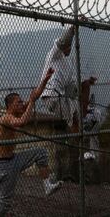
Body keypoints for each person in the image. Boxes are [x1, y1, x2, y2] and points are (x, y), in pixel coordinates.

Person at [0, 68, 62, 217]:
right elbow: (23, 121)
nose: (22, 104)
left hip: (13, 159)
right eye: (18, 102)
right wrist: (32, 101)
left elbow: (33, 97)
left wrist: (44, 81)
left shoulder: (15, 114)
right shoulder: (6, 118)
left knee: (41, 153)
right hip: (3, 165)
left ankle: (47, 185)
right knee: (5, 201)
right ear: (10, 106)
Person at [40, 19, 102, 161]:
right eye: (67, 46)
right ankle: (80, 146)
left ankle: (83, 127)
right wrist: (73, 28)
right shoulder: (54, 54)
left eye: (70, 46)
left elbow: (74, 86)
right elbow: (62, 41)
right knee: (75, 122)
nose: (68, 47)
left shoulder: (67, 66)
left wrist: (88, 82)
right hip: (51, 97)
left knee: (80, 117)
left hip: (60, 97)